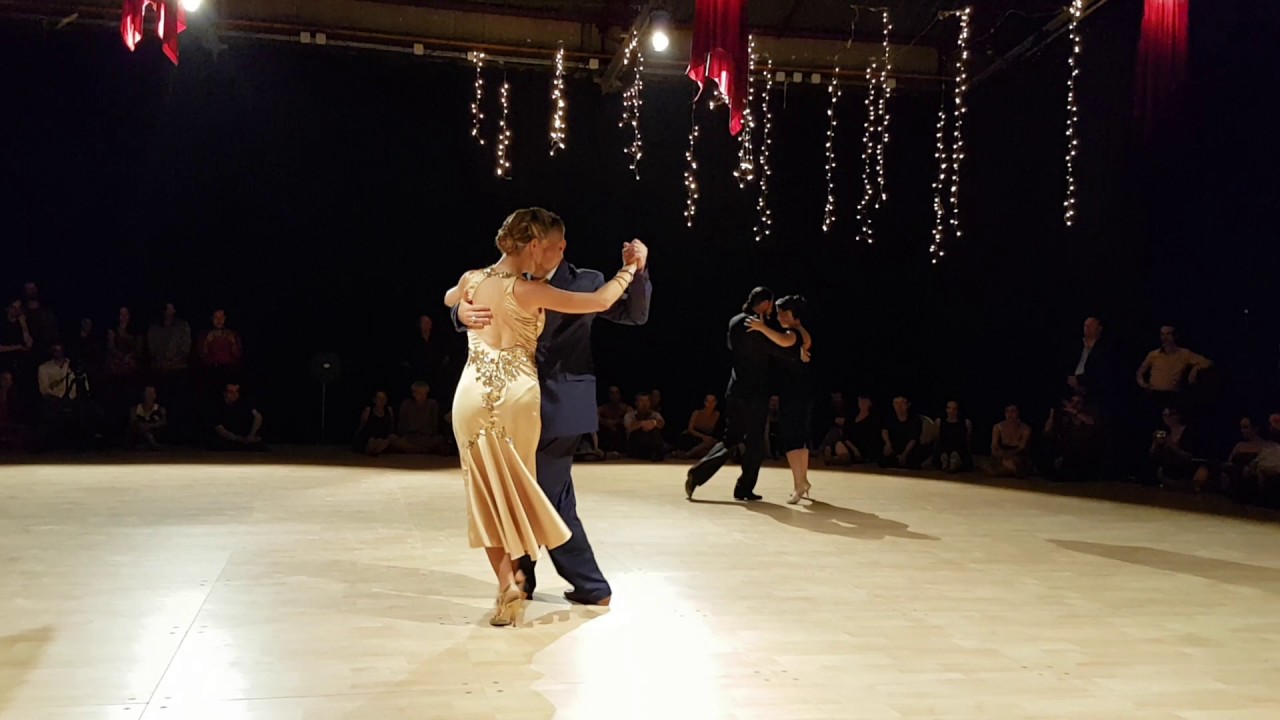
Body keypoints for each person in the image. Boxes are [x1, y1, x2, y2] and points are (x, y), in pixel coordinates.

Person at [445, 208, 643, 625]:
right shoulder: (521, 285)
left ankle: (544, 583)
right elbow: (459, 305)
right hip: (514, 398)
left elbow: (630, 313)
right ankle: (535, 580)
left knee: (524, 495)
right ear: (533, 245)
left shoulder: (575, 280)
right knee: (522, 494)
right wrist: (459, 316)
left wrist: (636, 274)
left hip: (517, 399)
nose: (542, 257)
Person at [685, 287, 795, 501]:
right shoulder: (756, 326)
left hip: (735, 390)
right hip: (755, 394)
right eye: (771, 305)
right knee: (755, 444)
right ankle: (744, 488)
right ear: (765, 304)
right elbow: (778, 349)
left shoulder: (735, 321)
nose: (772, 309)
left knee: (730, 438)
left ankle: (697, 474)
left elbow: (730, 346)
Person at [750, 295, 814, 503]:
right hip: (802, 393)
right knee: (800, 440)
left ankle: (799, 485)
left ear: (791, 314)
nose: (778, 317)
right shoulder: (803, 332)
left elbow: (783, 339)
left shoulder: (792, 334)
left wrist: (761, 328)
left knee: (792, 442)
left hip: (794, 394)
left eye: (781, 313)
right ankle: (802, 481)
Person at [392, 382, 444, 454]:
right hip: (409, 437)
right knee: (392, 438)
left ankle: (414, 449)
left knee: (440, 439)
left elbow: (434, 422)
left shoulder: (432, 404)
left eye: (424, 394)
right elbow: (402, 422)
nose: (422, 396)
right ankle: (419, 450)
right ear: (413, 393)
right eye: (419, 393)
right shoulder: (406, 404)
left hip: (426, 438)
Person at [210, 383, 265, 451]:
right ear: (224, 393)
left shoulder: (244, 403)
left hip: (244, 437)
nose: (235, 394)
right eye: (231, 392)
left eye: (236, 391)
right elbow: (219, 429)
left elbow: (258, 417)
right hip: (230, 439)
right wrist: (239, 439)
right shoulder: (217, 406)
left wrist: (251, 435)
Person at [987, 405, 1032, 477]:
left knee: (1016, 462)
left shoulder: (1025, 429)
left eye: (1013, 411)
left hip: (1017, 455)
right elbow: (994, 445)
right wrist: (1002, 454)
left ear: (1018, 413)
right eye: (1007, 411)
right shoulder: (998, 427)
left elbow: (1022, 447)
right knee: (994, 464)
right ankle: (1011, 470)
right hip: (1002, 453)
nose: (1010, 414)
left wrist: (1009, 456)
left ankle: (1011, 470)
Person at [674, 394, 722, 459]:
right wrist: (704, 437)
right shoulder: (697, 413)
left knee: (714, 445)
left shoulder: (716, 414)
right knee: (709, 443)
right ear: (705, 402)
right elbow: (690, 429)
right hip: (691, 436)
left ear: (716, 403)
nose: (710, 404)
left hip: (704, 440)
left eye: (712, 401)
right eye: (708, 401)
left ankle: (692, 454)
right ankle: (688, 454)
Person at [934, 400, 974, 473]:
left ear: (958, 410)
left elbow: (968, 441)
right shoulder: (939, 421)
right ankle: (945, 462)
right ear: (946, 409)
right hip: (944, 447)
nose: (951, 411)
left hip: (959, 448)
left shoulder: (966, 422)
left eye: (954, 409)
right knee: (943, 452)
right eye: (949, 408)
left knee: (957, 453)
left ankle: (955, 462)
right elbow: (937, 439)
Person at [353, 391, 396, 456]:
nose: (382, 400)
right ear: (374, 400)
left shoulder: (389, 411)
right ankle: (372, 449)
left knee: (387, 441)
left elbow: (391, 426)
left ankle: (377, 449)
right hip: (368, 438)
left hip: (382, 438)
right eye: (380, 398)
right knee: (371, 442)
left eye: (384, 398)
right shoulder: (368, 411)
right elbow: (362, 426)